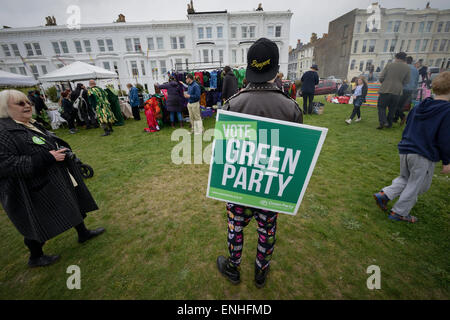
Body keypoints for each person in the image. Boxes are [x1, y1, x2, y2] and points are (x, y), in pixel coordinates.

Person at [217, 37, 303, 288]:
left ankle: (233, 267)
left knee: (236, 226)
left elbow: (223, 155)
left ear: (250, 68)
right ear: (275, 69)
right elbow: (294, 158)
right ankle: (260, 273)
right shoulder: (292, 108)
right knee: (267, 229)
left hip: (240, 185)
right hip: (272, 185)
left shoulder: (232, 105)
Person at [0, 90, 105, 268]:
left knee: (72, 202)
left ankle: (83, 233)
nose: (27, 106)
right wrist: (47, 158)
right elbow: (5, 164)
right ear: (4, 108)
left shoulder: (28, 123)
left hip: (52, 176)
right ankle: (35, 256)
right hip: (29, 188)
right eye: (20, 103)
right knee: (36, 221)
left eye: (27, 102)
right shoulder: (3, 132)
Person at [373, 72, 450, 223]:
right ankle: (400, 212)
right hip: (423, 153)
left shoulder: (421, 105)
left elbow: (409, 125)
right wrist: (447, 161)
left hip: (406, 149)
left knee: (406, 178)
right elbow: (445, 138)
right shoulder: (447, 111)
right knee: (418, 184)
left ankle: (385, 194)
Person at [376, 52, 410, 129]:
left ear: (396, 57)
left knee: (381, 106)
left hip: (386, 89)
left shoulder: (389, 65)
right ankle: (389, 123)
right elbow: (407, 81)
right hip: (397, 90)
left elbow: (381, 77)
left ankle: (383, 122)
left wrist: (384, 83)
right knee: (392, 108)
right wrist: (399, 84)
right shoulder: (407, 67)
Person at [394, 56, 419, 125]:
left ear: (405, 61)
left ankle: (402, 116)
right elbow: (416, 81)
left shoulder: (404, 68)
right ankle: (395, 118)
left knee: (396, 105)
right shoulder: (416, 70)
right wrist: (413, 89)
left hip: (403, 88)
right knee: (401, 105)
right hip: (410, 90)